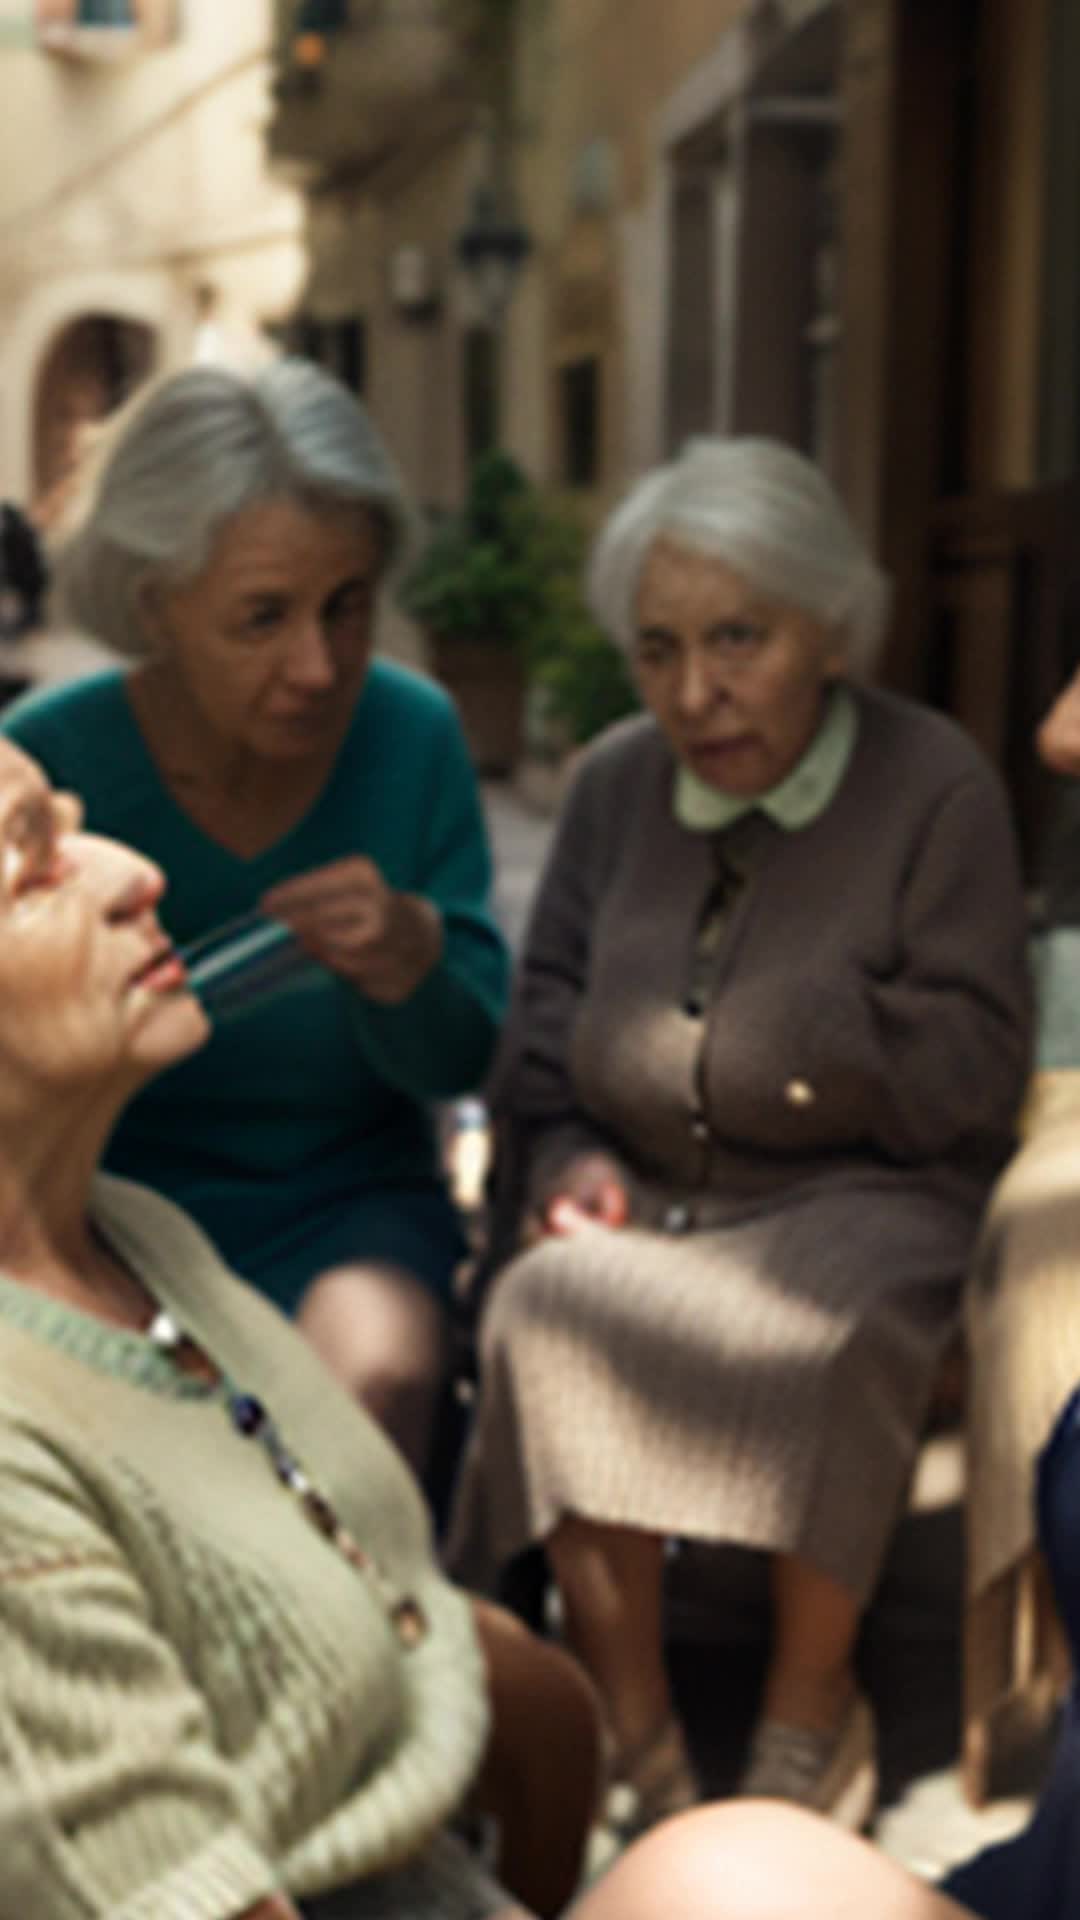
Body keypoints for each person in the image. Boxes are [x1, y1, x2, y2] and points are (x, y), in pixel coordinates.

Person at [0, 727, 870, 1920]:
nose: (129, 870)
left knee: (753, 1869)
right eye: (29, 864)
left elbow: (443, 1643)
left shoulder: (133, 1233)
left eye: (73, 817)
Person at [448, 436, 1033, 1833]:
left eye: (737, 640)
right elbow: (542, 1038)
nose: (693, 693)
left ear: (830, 627)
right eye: (657, 650)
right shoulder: (611, 786)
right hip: (651, 1194)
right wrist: (576, 1164)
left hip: (871, 1196)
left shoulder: (935, 784)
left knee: (829, 1333)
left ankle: (802, 1714)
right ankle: (638, 1743)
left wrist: (809, 1032)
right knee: (544, 1308)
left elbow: (972, 1075)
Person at [1, 362, 509, 1479]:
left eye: (348, 607)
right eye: (263, 619)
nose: (318, 667)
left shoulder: (411, 733)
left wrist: (416, 963)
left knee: (369, 1367)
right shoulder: (54, 760)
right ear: (154, 608)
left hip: (349, 1201)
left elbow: (471, 1056)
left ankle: (366, 1643)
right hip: (107, 1216)